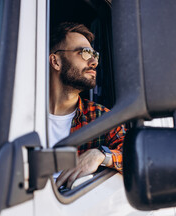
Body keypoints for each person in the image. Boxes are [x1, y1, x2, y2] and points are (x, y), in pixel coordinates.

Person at [48, 22, 126, 189]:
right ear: (55, 61)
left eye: (94, 55)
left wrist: (101, 155)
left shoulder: (101, 118)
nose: (94, 62)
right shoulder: (17, 114)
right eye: (84, 53)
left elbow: (137, 156)